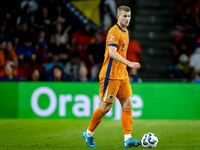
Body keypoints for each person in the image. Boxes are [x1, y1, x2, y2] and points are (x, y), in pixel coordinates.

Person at [82, 6, 141, 148]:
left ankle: (128, 139)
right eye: (124, 16)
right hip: (111, 75)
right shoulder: (114, 32)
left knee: (128, 105)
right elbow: (112, 53)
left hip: (123, 75)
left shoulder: (126, 32)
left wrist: (126, 68)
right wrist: (130, 63)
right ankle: (88, 133)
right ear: (118, 17)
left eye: (129, 16)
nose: (127, 19)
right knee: (106, 108)